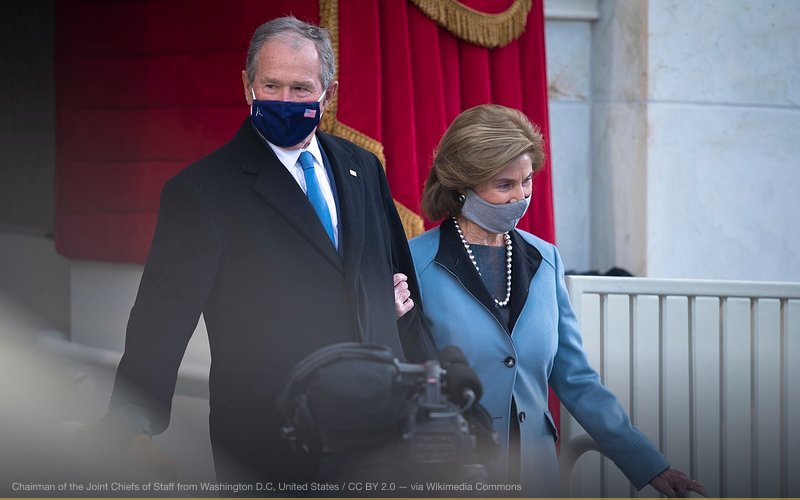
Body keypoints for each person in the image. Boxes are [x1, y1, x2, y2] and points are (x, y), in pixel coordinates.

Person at [100, 15, 432, 487]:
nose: (285, 100)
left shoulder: (363, 167)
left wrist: (431, 390)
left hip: (381, 437)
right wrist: (131, 422)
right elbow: (160, 323)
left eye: (301, 89)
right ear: (247, 86)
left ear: (327, 93)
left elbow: (402, 289)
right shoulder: (202, 192)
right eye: (271, 85)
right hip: (272, 446)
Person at [409, 104, 707, 497]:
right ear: (463, 184)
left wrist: (649, 464)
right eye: (504, 185)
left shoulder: (546, 258)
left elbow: (576, 379)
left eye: (527, 181)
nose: (521, 197)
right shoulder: (414, 262)